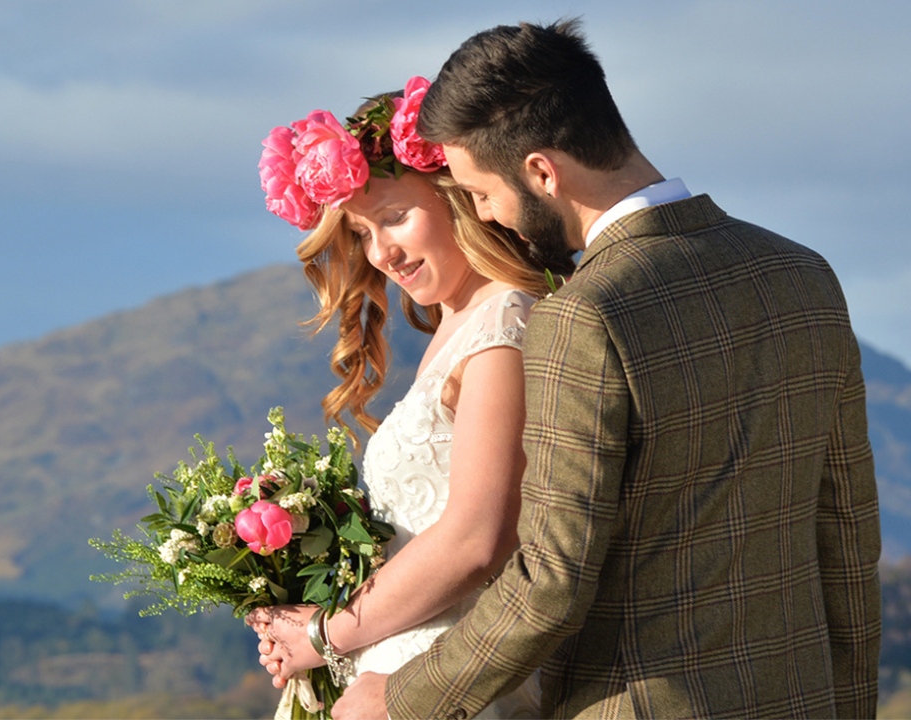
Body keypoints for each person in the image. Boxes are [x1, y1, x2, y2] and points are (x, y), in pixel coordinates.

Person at [332, 19, 882, 720]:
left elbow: (549, 581)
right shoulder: (803, 276)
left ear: (541, 171)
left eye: (479, 192)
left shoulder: (584, 315)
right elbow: (847, 535)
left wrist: (402, 698)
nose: (487, 214)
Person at [248, 76, 576, 718]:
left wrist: (323, 634)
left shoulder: (505, 326)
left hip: (449, 679)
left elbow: (477, 539)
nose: (383, 252)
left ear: (460, 198)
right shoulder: (458, 328)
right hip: (394, 668)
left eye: (396, 217)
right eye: (365, 232)